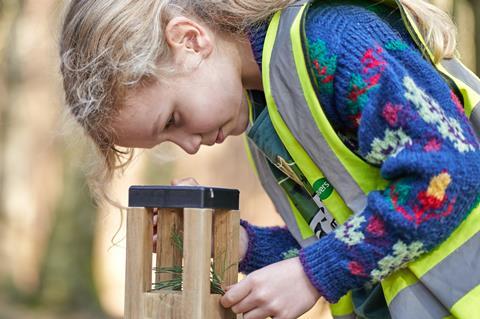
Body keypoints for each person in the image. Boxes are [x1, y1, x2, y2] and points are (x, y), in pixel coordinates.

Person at [59, 0, 480, 318]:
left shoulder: (333, 45)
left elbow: (448, 174)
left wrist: (314, 274)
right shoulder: (269, 113)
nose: (188, 147)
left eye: (174, 119)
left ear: (190, 39)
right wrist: (239, 245)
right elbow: (343, 239)